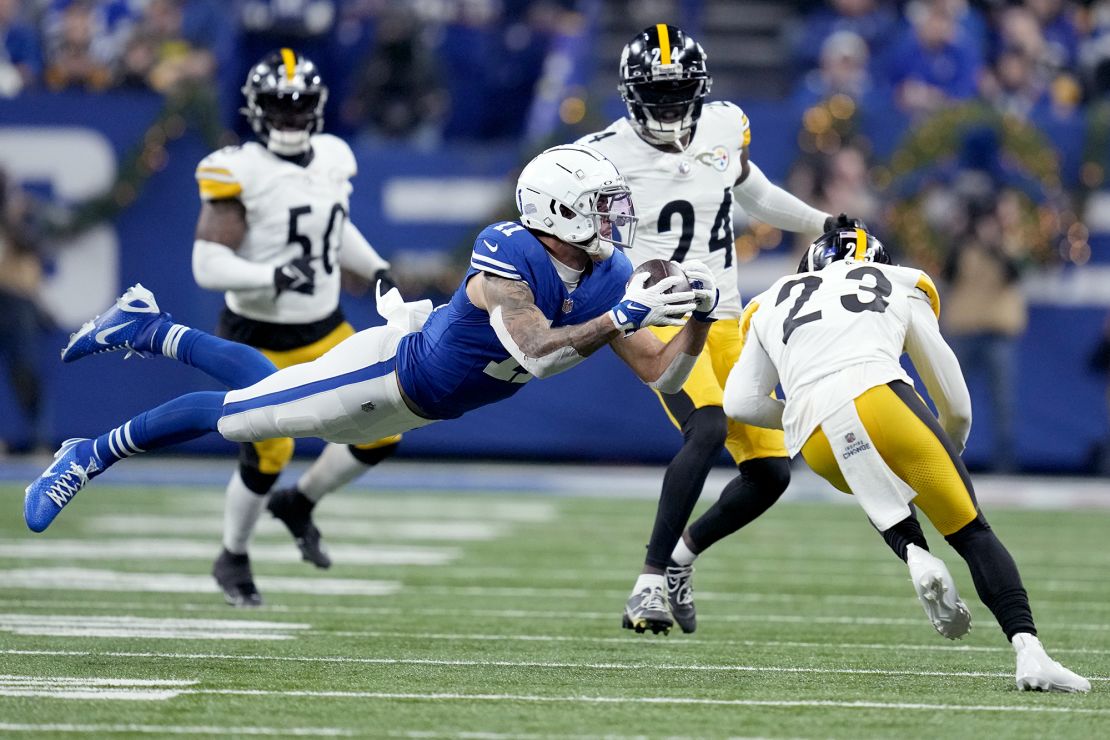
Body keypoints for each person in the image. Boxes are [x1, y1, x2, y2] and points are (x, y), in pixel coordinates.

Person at [24, 145, 719, 550]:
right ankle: (88, 452)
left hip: (416, 406)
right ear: (557, 210)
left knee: (270, 394)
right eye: (601, 204)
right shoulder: (509, 252)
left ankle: (143, 326)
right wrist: (621, 316)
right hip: (386, 372)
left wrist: (697, 325)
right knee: (244, 414)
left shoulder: (611, 277)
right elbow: (535, 349)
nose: (615, 219)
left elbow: (662, 375)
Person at [720, 224, 1088, 693]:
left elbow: (741, 403)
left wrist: (799, 415)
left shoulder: (771, 300)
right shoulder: (897, 282)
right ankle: (1030, 652)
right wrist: (945, 447)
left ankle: (915, 553)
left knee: (872, 473)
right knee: (972, 531)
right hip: (882, 398)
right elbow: (953, 399)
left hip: (815, 435)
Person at [576, 24, 850, 635]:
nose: (672, 108)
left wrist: (821, 221)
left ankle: (680, 557)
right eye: (660, 95)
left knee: (772, 473)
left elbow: (752, 190)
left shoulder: (726, 124)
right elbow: (575, 240)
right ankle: (646, 584)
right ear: (631, 95)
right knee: (706, 425)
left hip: (724, 314)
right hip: (661, 319)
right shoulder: (601, 155)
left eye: (681, 95)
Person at [190, 49, 398, 606]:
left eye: (299, 104)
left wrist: (374, 266)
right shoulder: (239, 169)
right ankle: (232, 553)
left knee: (385, 424)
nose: (289, 116)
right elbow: (206, 264)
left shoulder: (333, 156)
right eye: (278, 106)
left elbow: (334, 227)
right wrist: (270, 276)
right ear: (256, 112)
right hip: (256, 335)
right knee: (269, 453)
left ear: (318, 108)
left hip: (325, 328)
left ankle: (300, 502)